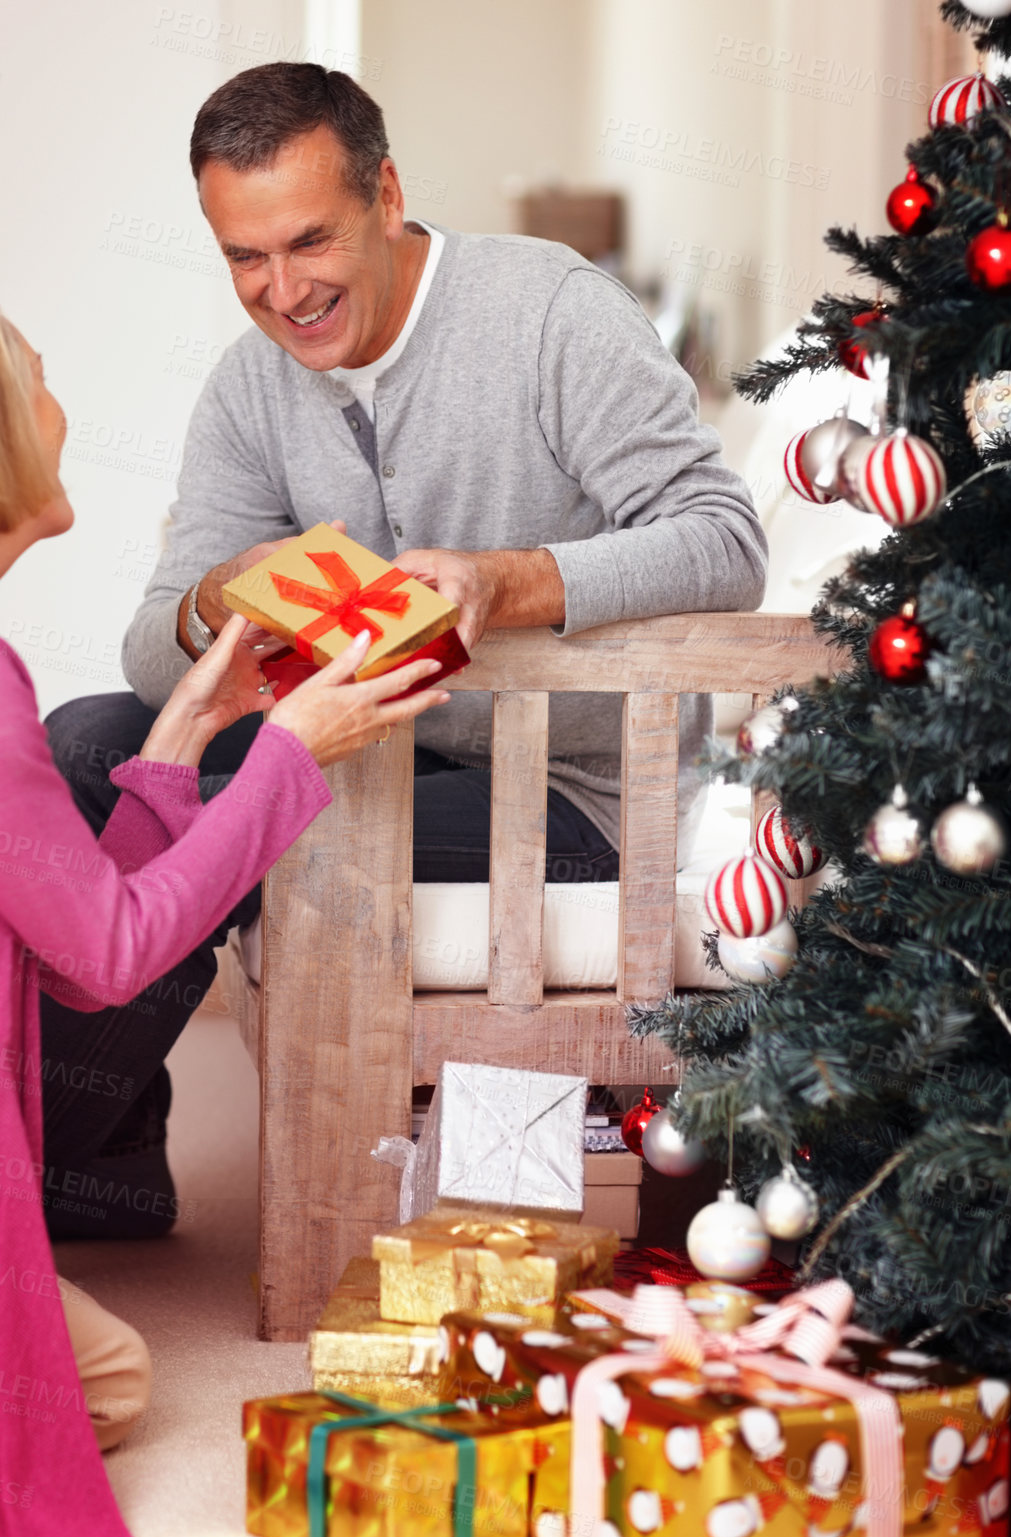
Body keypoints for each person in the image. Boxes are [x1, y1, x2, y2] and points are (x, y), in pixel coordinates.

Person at [0, 269, 445, 1537]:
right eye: (34, 383)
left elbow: (74, 948)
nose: (59, 413)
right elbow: (113, 951)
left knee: (106, 1370)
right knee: (97, 1383)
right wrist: (291, 749)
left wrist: (192, 722)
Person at [41, 61, 767, 1241]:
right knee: (81, 748)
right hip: (359, 759)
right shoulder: (249, 391)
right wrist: (218, 600)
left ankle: (21, 1174)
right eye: (243, 258)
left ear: (386, 193)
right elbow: (149, 655)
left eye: (308, 241)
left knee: (237, 803)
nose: (281, 292)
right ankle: (102, 1142)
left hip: (563, 799)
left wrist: (512, 580)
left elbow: (723, 544)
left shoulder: (547, 312)